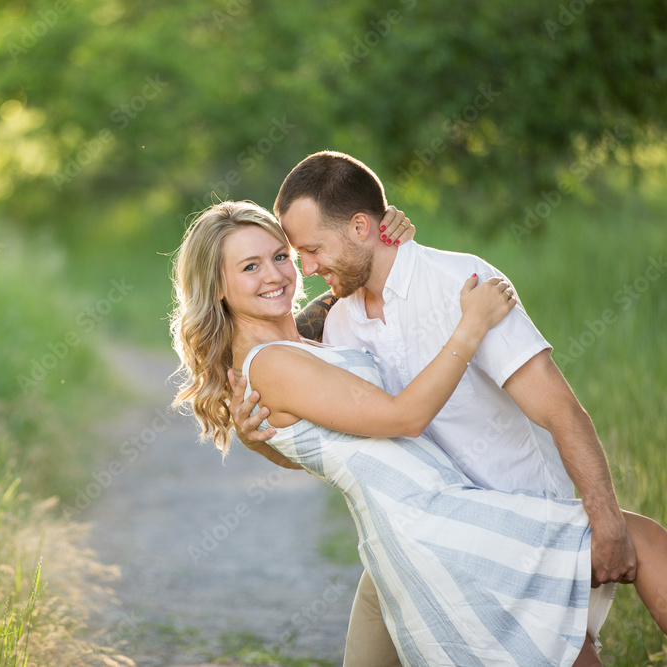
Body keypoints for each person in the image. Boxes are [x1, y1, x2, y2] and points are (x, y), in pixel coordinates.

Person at [170, 200, 667, 666]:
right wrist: (470, 327)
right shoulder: (274, 363)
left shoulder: (299, 340)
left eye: (283, 255)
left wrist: (377, 246)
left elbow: (304, 431)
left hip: (426, 517)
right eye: (249, 266)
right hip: (428, 523)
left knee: (560, 650)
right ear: (216, 286)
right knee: (639, 541)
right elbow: (403, 418)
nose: (277, 274)